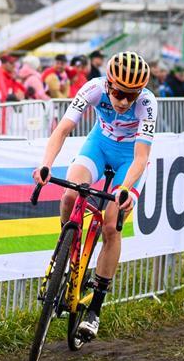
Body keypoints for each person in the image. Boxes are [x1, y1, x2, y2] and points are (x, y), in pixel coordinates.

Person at [32, 52, 155, 338]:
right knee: (69, 196)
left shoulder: (148, 104)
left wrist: (124, 188)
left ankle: (95, 309)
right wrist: (46, 164)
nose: (124, 102)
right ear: (109, 85)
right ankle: (66, 251)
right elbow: (63, 129)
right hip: (98, 146)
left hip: (129, 158)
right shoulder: (92, 88)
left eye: (131, 95)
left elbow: (142, 156)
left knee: (112, 225)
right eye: (119, 93)